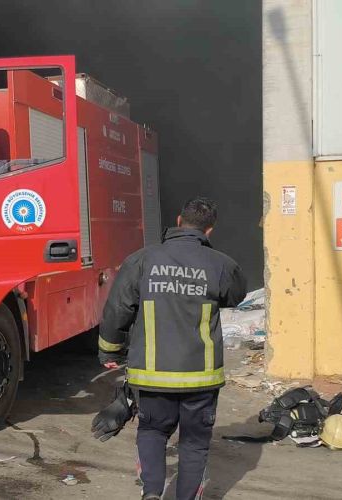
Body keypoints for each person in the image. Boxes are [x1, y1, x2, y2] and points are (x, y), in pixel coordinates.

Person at [98, 197, 247, 500]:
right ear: (209, 231)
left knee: (152, 431)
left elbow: (117, 310)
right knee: (194, 443)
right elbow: (235, 296)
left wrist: (109, 351)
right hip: (200, 378)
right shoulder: (221, 265)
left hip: (152, 375)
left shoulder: (141, 260)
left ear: (178, 222)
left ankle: (152, 493)